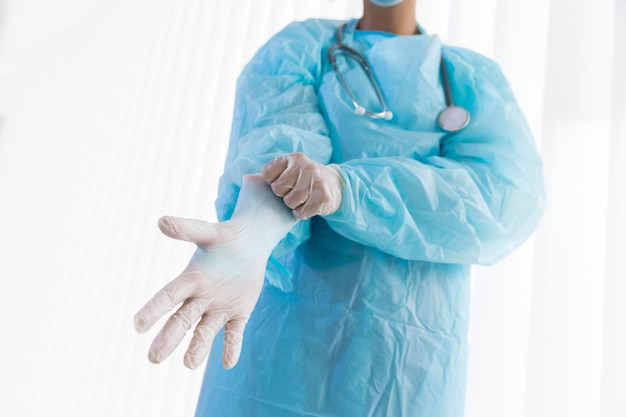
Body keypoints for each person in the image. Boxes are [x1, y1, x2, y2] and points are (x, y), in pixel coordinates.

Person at [134, 0, 546, 415]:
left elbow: (501, 198)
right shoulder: (299, 51)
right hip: (282, 354)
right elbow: (279, 153)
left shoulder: (473, 82)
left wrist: (348, 187)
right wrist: (251, 237)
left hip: (409, 368)